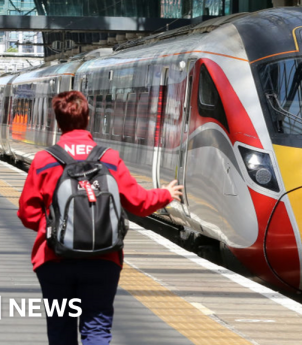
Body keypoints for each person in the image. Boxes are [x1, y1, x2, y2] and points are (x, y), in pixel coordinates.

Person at [17, 90, 183, 345]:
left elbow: (28, 214)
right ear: (88, 118)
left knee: (60, 328)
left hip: (54, 260)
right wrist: (165, 194)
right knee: (96, 328)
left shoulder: (44, 160)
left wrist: (55, 228)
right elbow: (139, 203)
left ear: (57, 121)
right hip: (103, 259)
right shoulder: (109, 159)